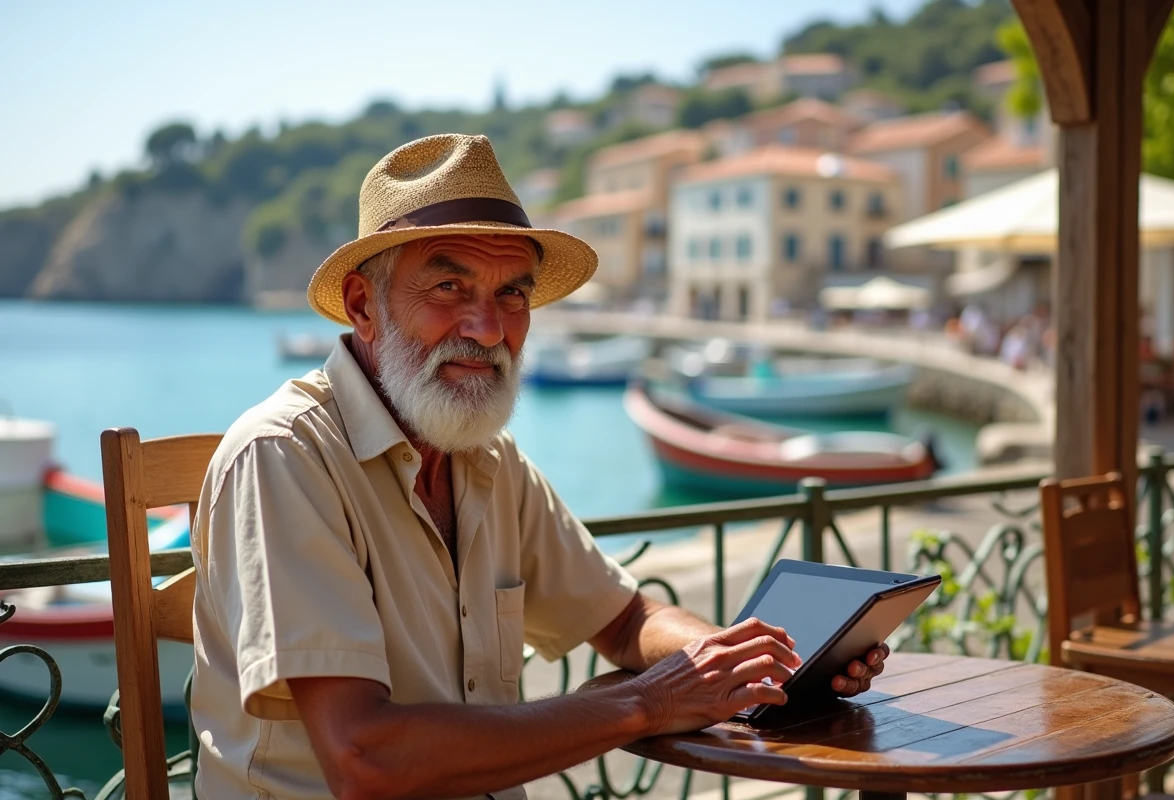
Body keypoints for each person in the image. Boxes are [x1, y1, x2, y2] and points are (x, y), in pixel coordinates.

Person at [190, 134, 889, 800]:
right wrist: (646, 703)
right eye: (448, 288)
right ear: (362, 306)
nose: (488, 329)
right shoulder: (284, 454)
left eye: (511, 294)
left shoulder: (485, 460)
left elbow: (622, 619)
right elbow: (364, 759)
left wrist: (757, 661)